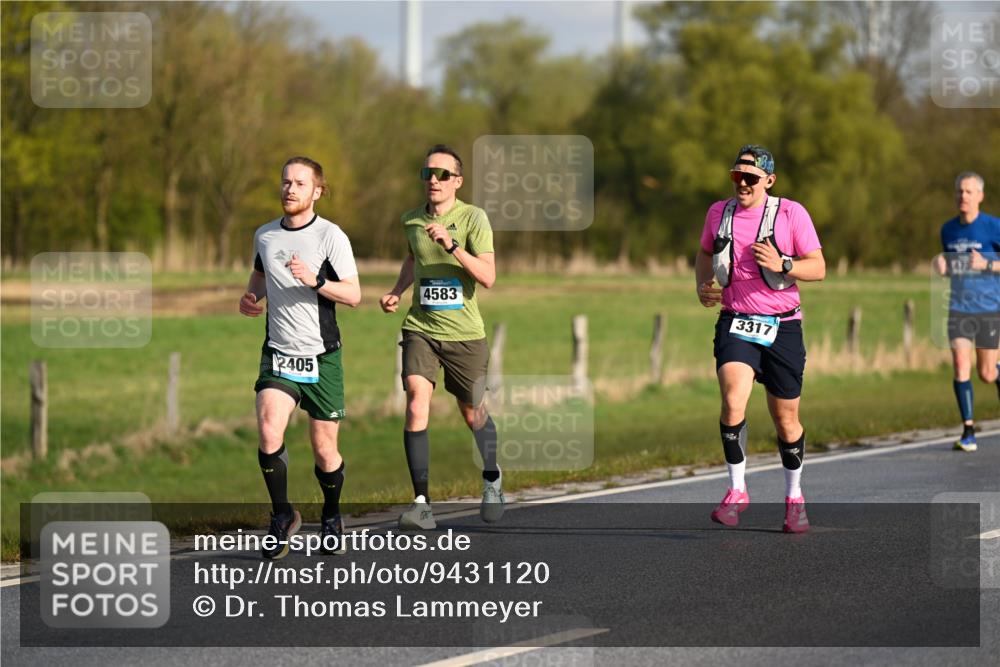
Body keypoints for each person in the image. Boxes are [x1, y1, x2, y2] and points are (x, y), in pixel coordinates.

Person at [695, 144, 826, 534]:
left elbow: (819, 267)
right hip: (736, 320)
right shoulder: (718, 213)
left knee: (786, 420)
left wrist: (784, 263)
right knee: (733, 400)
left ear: (769, 180)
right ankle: (737, 490)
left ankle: (794, 498)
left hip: (783, 324)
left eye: (750, 177)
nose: (742, 183)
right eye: (737, 176)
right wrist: (702, 285)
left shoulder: (791, 213)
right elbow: (704, 252)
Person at [239, 156, 361, 559]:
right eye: (286, 182)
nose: (290, 189)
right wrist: (251, 296)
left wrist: (316, 280)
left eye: (300, 183)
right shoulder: (266, 235)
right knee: (268, 430)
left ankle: (331, 515)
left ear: (317, 191)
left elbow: (354, 295)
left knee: (324, 450)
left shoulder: (331, 236)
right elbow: (260, 274)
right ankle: (282, 515)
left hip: (322, 356)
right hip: (278, 351)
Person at [380, 144, 502, 530]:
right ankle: (421, 504)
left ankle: (492, 478)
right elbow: (413, 259)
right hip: (421, 327)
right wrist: (397, 291)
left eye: (443, 174)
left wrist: (452, 246)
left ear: (457, 181)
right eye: (428, 174)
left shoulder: (473, 218)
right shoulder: (411, 220)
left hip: (465, 333)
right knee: (417, 402)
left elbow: (488, 276)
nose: (434, 180)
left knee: (472, 412)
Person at [937, 171, 1000, 452]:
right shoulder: (948, 230)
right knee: (961, 364)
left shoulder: (993, 227)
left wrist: (987, 265)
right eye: (960, 191)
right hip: (959, 308)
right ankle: (968, 431)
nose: (963, 196)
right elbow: (951, 265)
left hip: (989, 308)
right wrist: (942, 265)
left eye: (969, 191)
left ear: (980, 196)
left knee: (987, 373)